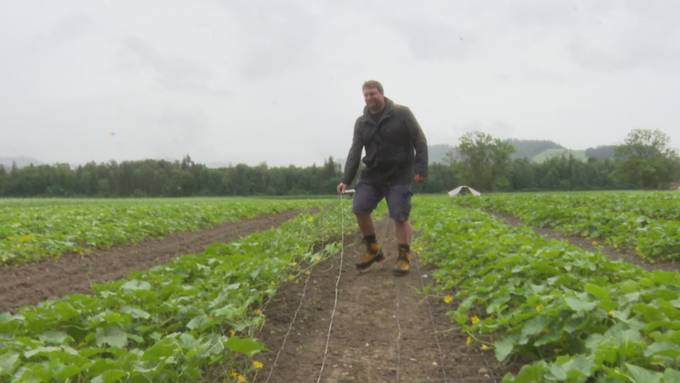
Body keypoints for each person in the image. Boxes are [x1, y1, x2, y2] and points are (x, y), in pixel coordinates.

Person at [336, 80, 428, 275]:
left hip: (399, 174)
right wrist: (346, 179)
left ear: (382, 94)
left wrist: (421, 168)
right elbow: (355, 151)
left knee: (399, 215)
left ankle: (403, 257)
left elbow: (419, 140)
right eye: (366, 95)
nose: (369, 98)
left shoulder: (402, 113)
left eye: (372, 94)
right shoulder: (361, 122)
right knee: (359, 207)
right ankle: (373, 250)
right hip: (373, 174)